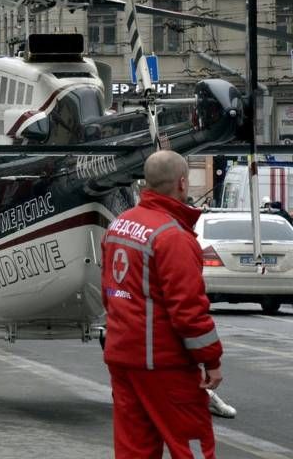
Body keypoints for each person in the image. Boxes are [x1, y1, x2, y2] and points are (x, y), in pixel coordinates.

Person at [101, 150, 223, 459]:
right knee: (192, 443)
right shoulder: (173, 237)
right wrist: (211, 360)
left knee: (134, 449)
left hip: (123, 358)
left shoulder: (119, 225)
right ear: (182, 183)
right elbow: (188, 312)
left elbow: (109, 291)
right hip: (164, 363)